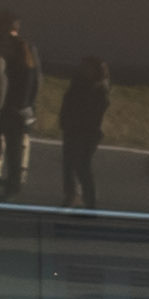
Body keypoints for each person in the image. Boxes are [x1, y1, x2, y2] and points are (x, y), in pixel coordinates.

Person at [0, 14, 39, 196]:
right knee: (14, 150)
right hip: (17, 107)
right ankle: (13, 185)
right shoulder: (27, 47)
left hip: (0, 106)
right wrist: (28, 105)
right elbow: (35, 80)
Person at [58, 58, 111, 209]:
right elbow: (68, 103)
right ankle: (71, 196)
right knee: (68, 164)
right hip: (72, 128)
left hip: (86, 132)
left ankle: (90, 200)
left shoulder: (99, 88)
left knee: (82, 166)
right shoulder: (78, 84)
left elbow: (96, 112)